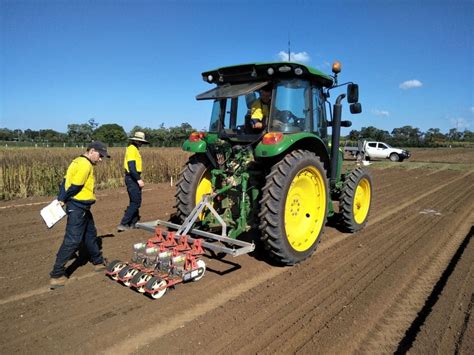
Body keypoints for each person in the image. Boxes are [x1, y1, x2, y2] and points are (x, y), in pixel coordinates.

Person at [49, 141, 110, 289]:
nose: (100, 159)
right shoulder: (85, 164)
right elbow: (76, 185)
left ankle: (98, 261)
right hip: (78, 207)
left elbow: (65, 182)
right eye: (100, 155)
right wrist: (63, 199)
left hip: (82, 207)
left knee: (90, 234)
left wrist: (61, 197)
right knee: (73, 240)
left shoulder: (76, 161)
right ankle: (57, 275)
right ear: (92, 151)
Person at [117, 131, 150, 232]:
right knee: (135, 202)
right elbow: (131, 167)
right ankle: (123, 223)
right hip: (132, 177)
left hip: (133, 177)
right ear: (135, 141)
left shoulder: (134, 149)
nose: (141, 143)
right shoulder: (132, 149)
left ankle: (133, 223)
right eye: (139, 141)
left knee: (135, 201)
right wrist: (138, 179)